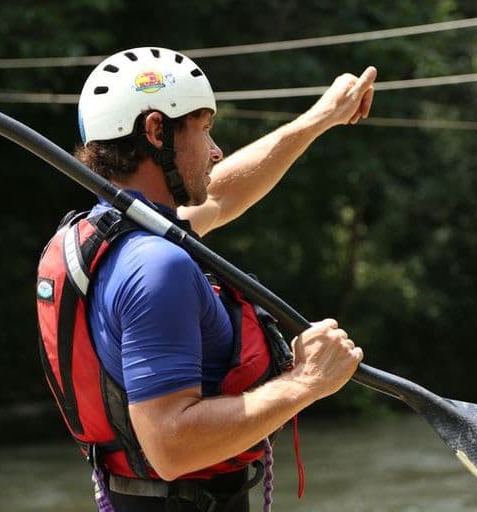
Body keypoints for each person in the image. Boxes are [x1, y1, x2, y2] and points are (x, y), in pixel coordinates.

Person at [36, 46, 375, 512]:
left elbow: (223, 196)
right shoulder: (157, 266)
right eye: (205, 129)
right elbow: (171, 447)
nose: (216, 151)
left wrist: (318, 118)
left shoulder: (103, 236)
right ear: (156, 130)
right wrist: (306, 381)